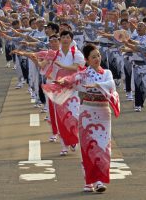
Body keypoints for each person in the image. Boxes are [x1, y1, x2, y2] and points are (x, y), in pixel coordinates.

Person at [44, 43, 120, 193]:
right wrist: (62, 82)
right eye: (93, 57)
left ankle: (99, 181)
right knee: (88, 147)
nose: (97, 58)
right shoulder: (83, 74)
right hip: (87, 113)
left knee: (103, 148)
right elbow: (70, 80)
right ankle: (88, 181)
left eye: (98, 55)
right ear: (87, 60)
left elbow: (111, 85)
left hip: (104, 113)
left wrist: (96, 84)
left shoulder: (107, 73)